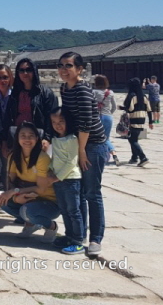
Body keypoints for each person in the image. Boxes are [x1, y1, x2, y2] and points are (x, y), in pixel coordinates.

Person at [58, 52, 107, 258]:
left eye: (68, 65)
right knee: (77, 193)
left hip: (92, 145)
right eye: (61, 65)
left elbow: (86, 122)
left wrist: (81, 151)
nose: (64, 69)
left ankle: (96, 238)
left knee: (91, 193)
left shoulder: (83, 90)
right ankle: (78, 235)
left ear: (79, 69)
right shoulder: (64, 88)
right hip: (77, 144)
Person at [0, 122, 60, 243]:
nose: (27, 139)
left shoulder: (42, 158)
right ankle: (31, 224)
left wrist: (16, 191)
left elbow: (41, 189)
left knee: (26, 211)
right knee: (1, 201)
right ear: (17, 138)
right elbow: (11, 184)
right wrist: (16, 198)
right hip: (28, 197)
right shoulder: (13, 156)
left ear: (37, 138)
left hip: (48, 202)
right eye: (23, 135)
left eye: (31, 136)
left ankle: (51, 226)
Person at [47, 110, 85, 255]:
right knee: (64, 210)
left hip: (71, 180)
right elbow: (55, 158)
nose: (58, 125)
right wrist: (51, 169)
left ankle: (78, 241)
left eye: (61, 122)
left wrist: (57, 177)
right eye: (54, 122)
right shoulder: (56, 139)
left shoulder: (72, 139)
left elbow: (71, 162)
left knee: (74, 211)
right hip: (58, 180)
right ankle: (69, 236)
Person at [3, 58, 58, 153]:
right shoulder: (15, 93)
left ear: (34, 71)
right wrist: (5, 140)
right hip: (18, 136)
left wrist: (47, 138)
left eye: (29, 70)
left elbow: (51, 117)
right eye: (21, 70)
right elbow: (8, 117)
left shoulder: (45, 93)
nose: (25, 73)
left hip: (37, 136)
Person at [120, 77, 154, 167]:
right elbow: (149, 110)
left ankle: (143, 157)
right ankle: (134, 157)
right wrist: (150, 122)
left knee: (132, 140)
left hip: (133, 120)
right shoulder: (144, 96)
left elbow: (130, 109)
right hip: (142, 120)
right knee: (134, 138)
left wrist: (122, 108)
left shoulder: (132, 96)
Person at [92, 74, 119, 166]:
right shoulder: (110, 92)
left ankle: (104, 155)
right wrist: (109, 113)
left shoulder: (93, 92)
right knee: (106, 138)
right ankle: (113, 153)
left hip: (97, 117)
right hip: (108, 117)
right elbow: (114, 107)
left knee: (98, 138)